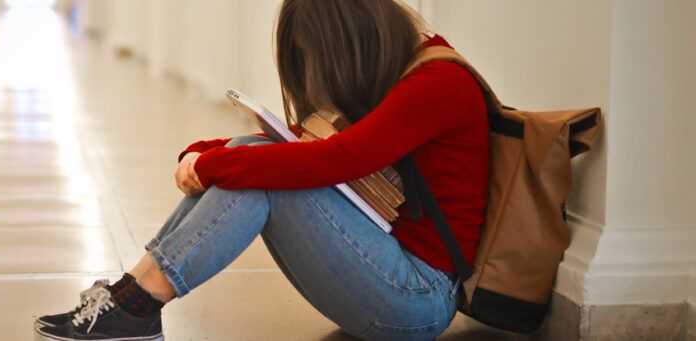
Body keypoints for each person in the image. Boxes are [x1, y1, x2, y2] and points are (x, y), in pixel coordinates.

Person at [34, 0, 488, 339]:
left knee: (264, 175)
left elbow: (338, 159)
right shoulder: (399, 75)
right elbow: (297, 142)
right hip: (390, 272)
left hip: (418, 300)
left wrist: (215, 164)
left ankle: (139, 301)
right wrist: (203, 153)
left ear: (354, 41)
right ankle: (133, 297)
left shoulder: (437, 83)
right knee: (253, 159)